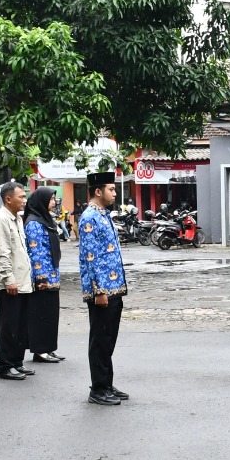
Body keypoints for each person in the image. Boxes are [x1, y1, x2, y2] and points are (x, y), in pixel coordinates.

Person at [78, 171, 130, 405]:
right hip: (102, 290)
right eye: (111, 189)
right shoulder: (90, 217)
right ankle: (98, 389)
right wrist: (98, 290)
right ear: (98, 191)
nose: (115, 192)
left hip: (114, 287)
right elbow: (92, 257)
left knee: (108, 338)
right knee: (100, 339)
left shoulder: (104, 215)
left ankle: (106, 382)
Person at [0, 180, 34, 382]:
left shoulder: (17, 219)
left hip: (21, 282)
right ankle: (5, 365)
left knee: (20, 325)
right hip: (8, 284)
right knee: (8, 326)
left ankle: (16, 362)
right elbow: (2, 253)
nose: (24, 200)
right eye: (21, 196)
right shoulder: (1, 221)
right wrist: (9, 280)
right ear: (8, 198)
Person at [24, 186, 65, 364]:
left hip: (52, 274)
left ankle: (48, 348)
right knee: (40, 314)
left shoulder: (45, 219)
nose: (54, 202)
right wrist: (41, 277)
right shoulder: (34, 223)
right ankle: (40, 350)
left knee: (51, 314)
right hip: (43, 277)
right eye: (50, 199)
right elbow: (36, 252)